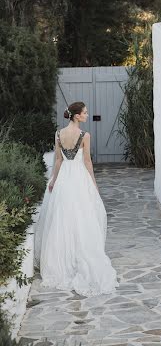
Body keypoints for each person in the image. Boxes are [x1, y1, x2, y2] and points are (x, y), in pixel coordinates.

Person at [33, 101, 119, 296]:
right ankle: (79, 257)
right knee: (82, 217)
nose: (87, 115)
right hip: (79, 178)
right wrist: (94, 183)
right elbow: (87, 161)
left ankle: (62, 261)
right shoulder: (84, 135)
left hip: (64, 179)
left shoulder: (58, 134)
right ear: (77, 115)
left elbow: (58, 160)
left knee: (62, 219)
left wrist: (53, 180)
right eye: (85, 113)